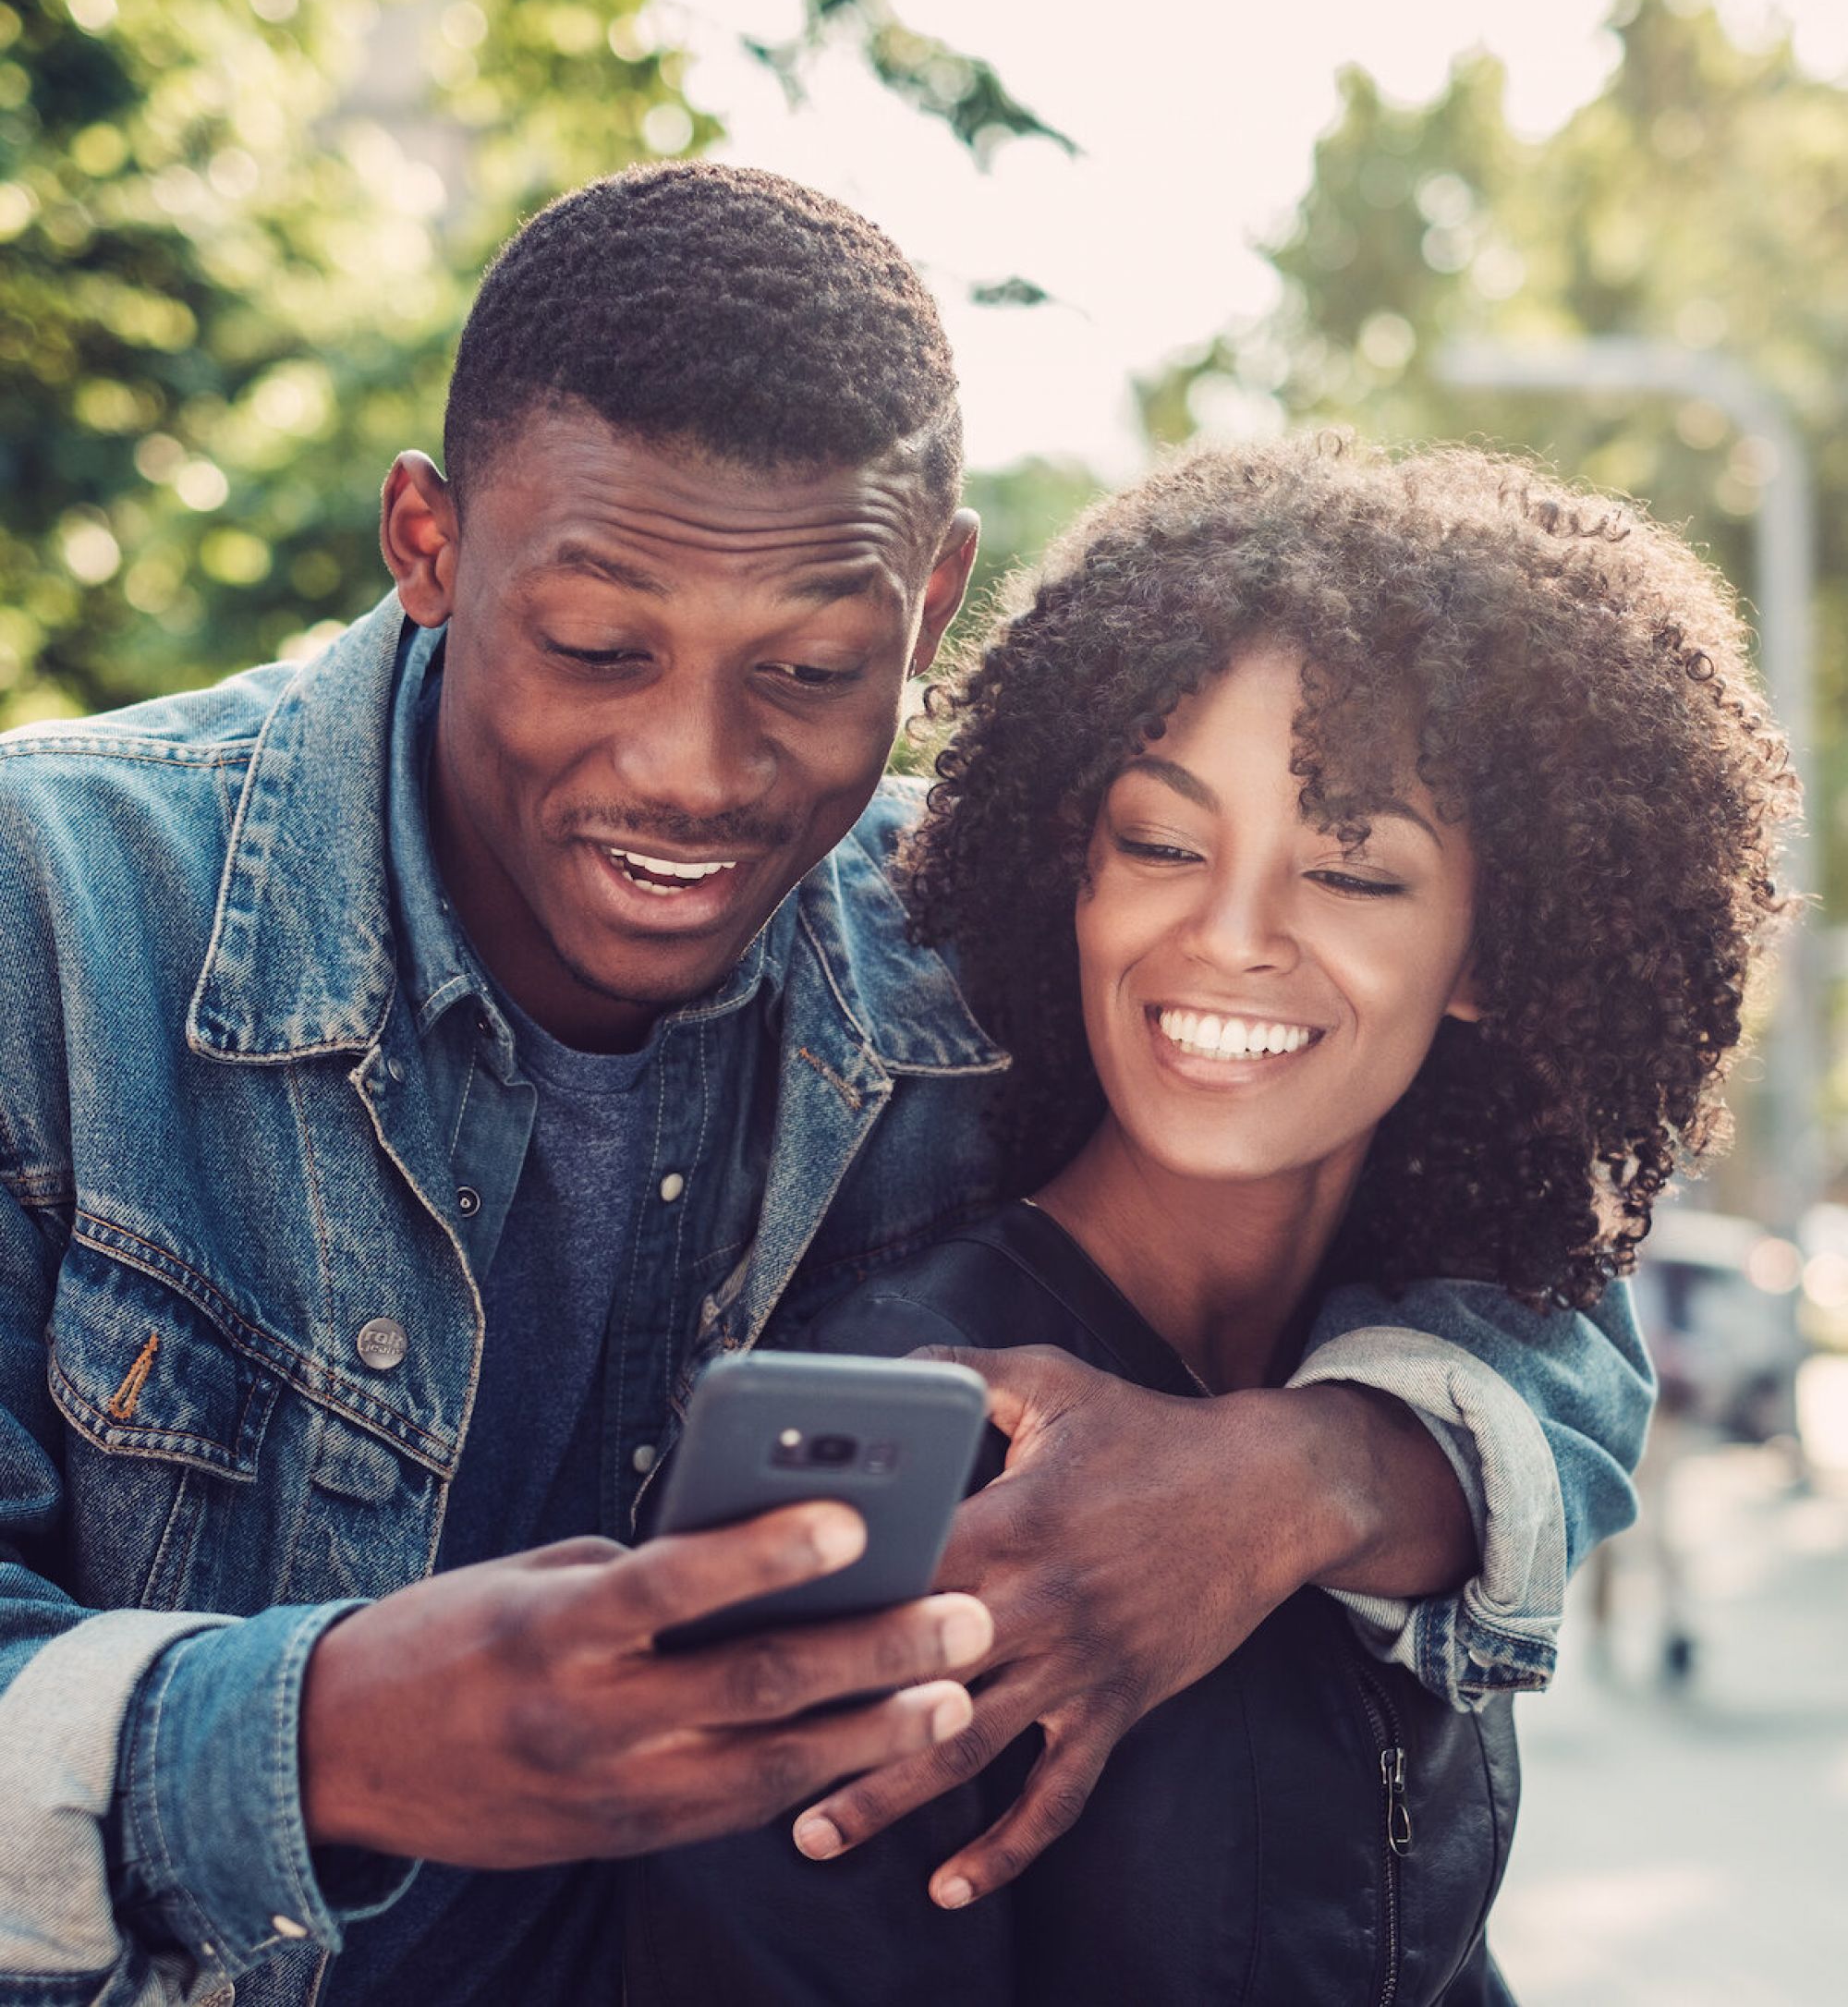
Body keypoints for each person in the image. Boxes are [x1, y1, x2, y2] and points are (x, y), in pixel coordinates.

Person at [0, 169, 1648, 2007]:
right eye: (597, 647)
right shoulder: (50, 912)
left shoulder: (989, 941)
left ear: (929, 596)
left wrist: (1289, 1477)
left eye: (810, 667)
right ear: (427, 542)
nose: (695, 770)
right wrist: (332, 1737)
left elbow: (1530, 1278)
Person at [628, 436, 1795, 2004]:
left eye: (1353, 872)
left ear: (1492, 953)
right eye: (1163, 843)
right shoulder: (885, 1436)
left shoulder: (1411, 1424)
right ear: (1076, 872)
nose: (1230, 937)